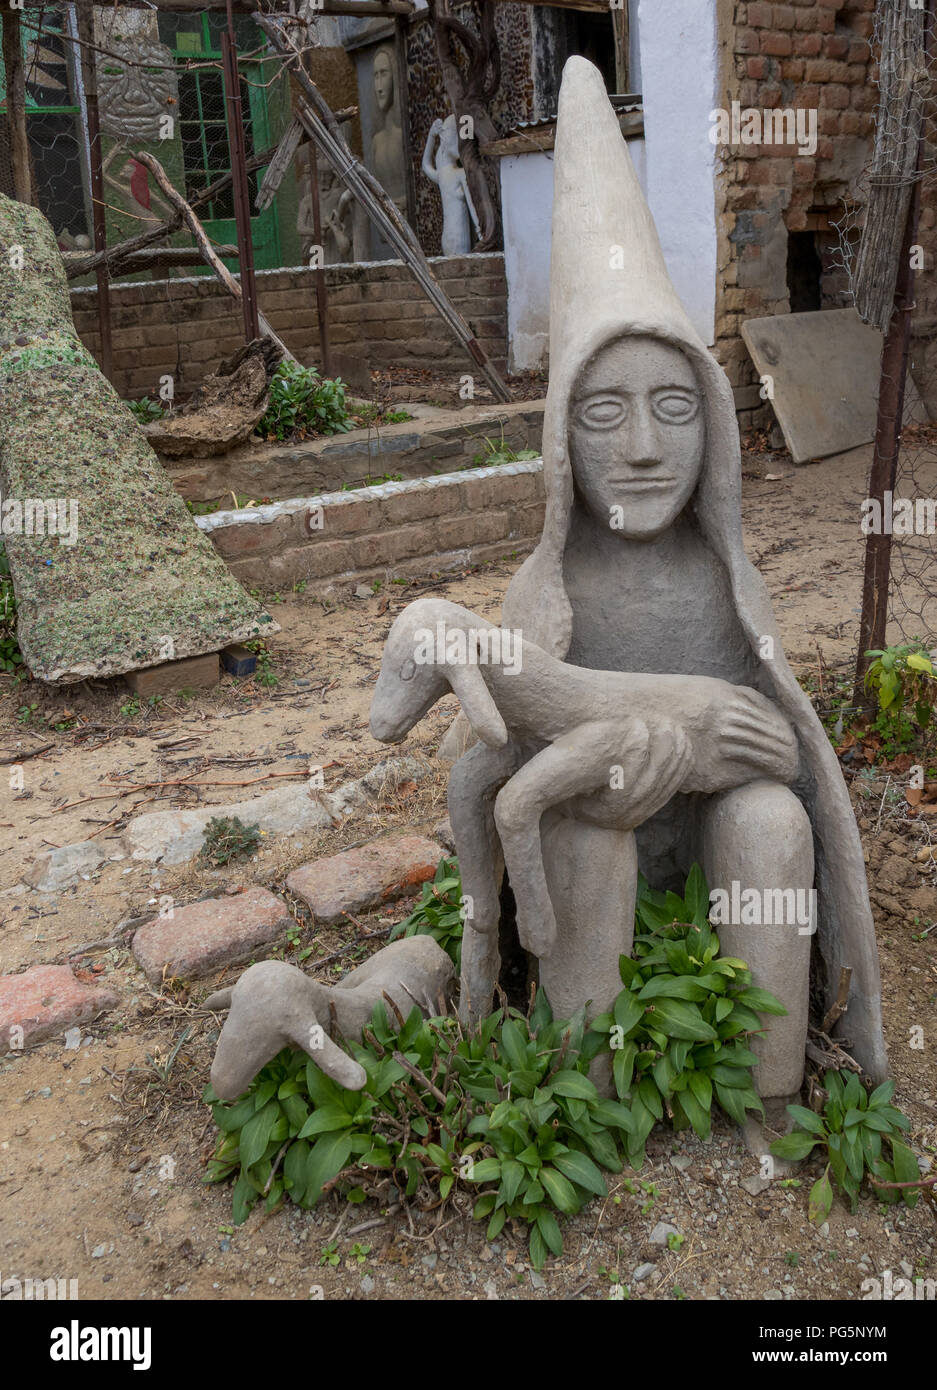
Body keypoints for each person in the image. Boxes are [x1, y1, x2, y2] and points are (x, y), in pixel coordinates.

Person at [449, 58, 888, 1130]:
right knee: (577, 836)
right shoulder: (540, 594)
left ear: (716, 428)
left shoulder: (724, 586)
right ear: (559, 440)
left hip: (709, 855)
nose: (643, 449)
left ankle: (764, 1072)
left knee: (775, 826)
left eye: (671, 409)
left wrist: (742, 752)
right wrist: (609, 764)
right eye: (602, 415)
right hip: (595, 848)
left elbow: (783, 745)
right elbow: (492, 760)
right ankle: (588, 1078)